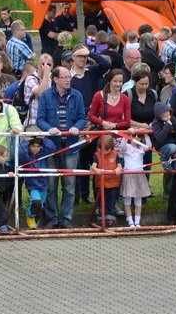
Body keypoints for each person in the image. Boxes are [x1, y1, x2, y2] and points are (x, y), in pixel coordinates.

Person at [37, 66, 87, 229]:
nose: (68, 80)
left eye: (69, 77)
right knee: (51, 184)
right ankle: (52, 218)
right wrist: (49, 129)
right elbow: (40, 119)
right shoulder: (45, 96)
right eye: (64, 77)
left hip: (71, 146)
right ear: (55, 79)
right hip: (52, 146)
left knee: (69, 185)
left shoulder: (77, 95)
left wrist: (77, 127)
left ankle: (66, 219)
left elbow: (82, 117)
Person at [18, 135, 57, 229]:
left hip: (44, 185)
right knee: (36, 203)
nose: (35, 149)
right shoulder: (26, 156)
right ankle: (29, 214)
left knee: (40, 206)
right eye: (33, 146)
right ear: (29, 146)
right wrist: (25, 142)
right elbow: (21, 153)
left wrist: (44, 138)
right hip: (33, 186)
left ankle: (35, 219)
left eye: (38, 146)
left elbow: (52, 147)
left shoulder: (44, 155)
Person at [118, 131, 151, 229]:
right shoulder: (127, 148)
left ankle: (137, 221)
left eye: (139, 136)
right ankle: (130, 221)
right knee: (127, 199)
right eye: (134, 136)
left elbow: (149, 146)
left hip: (139, 176)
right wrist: (126, 134)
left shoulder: (141, 148)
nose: (136, 137)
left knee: (138, 199)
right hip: (129, 176)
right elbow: (122, 146)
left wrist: (145, 133)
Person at [90, 134, 122, 226]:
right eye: (102, 149)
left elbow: (119, 166)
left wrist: (117, 169)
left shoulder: (116, 155)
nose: (104, 152)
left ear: (111, 147)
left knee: (111, 202)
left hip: (113, 184)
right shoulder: (97, 155)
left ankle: (111, 219)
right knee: (101, 203)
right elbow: (93, 166)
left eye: (106, 150)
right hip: (100, 183)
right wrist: (97, 170)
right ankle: (101, 218)